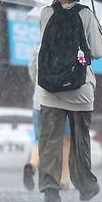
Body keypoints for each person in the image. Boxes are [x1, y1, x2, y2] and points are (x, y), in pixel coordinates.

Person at [37, 0, 102, 202]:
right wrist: (100, 33)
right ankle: (86, 185)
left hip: (51, 89)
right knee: (80, 140)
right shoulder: (86, 13)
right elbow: (97, 52)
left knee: (50, 140)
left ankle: (49, 186)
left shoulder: (46, 13)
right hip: (80, 88)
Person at [23, 47, 73, 191]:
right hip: (62, 102)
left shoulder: (37, 48)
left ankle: (32, 165)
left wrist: (38, 87)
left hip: (38, 102)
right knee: (66, 141)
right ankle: (63, 179)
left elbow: (32, 71)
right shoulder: (69, 49)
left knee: (40, 140)